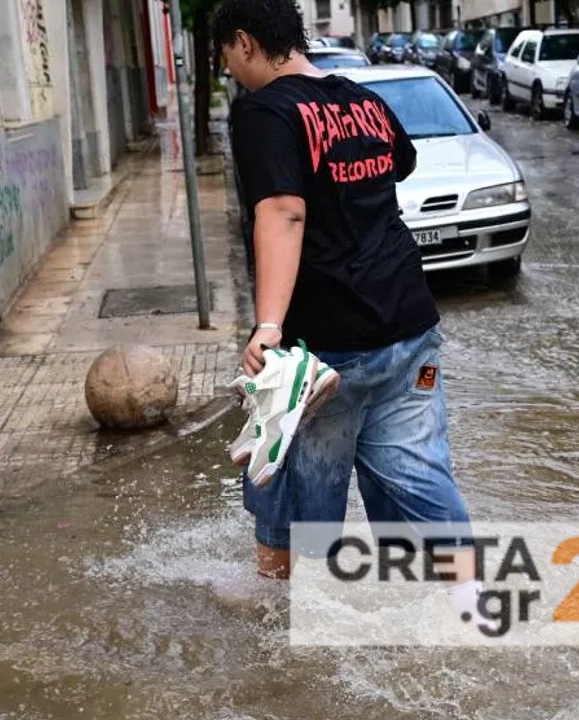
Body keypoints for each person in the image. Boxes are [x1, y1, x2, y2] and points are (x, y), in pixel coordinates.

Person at [213, 0, 483, 607]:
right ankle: (473, 603)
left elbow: (283, 210)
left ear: (244, 43)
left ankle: (284, 615)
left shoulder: (262, 113)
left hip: (328, 343)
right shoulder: (360, 99)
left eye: (227, 56)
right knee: (419, 474)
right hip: (410, 325)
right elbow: (399, 164)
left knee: (284, 473)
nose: (230, 69)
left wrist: (268, 327)